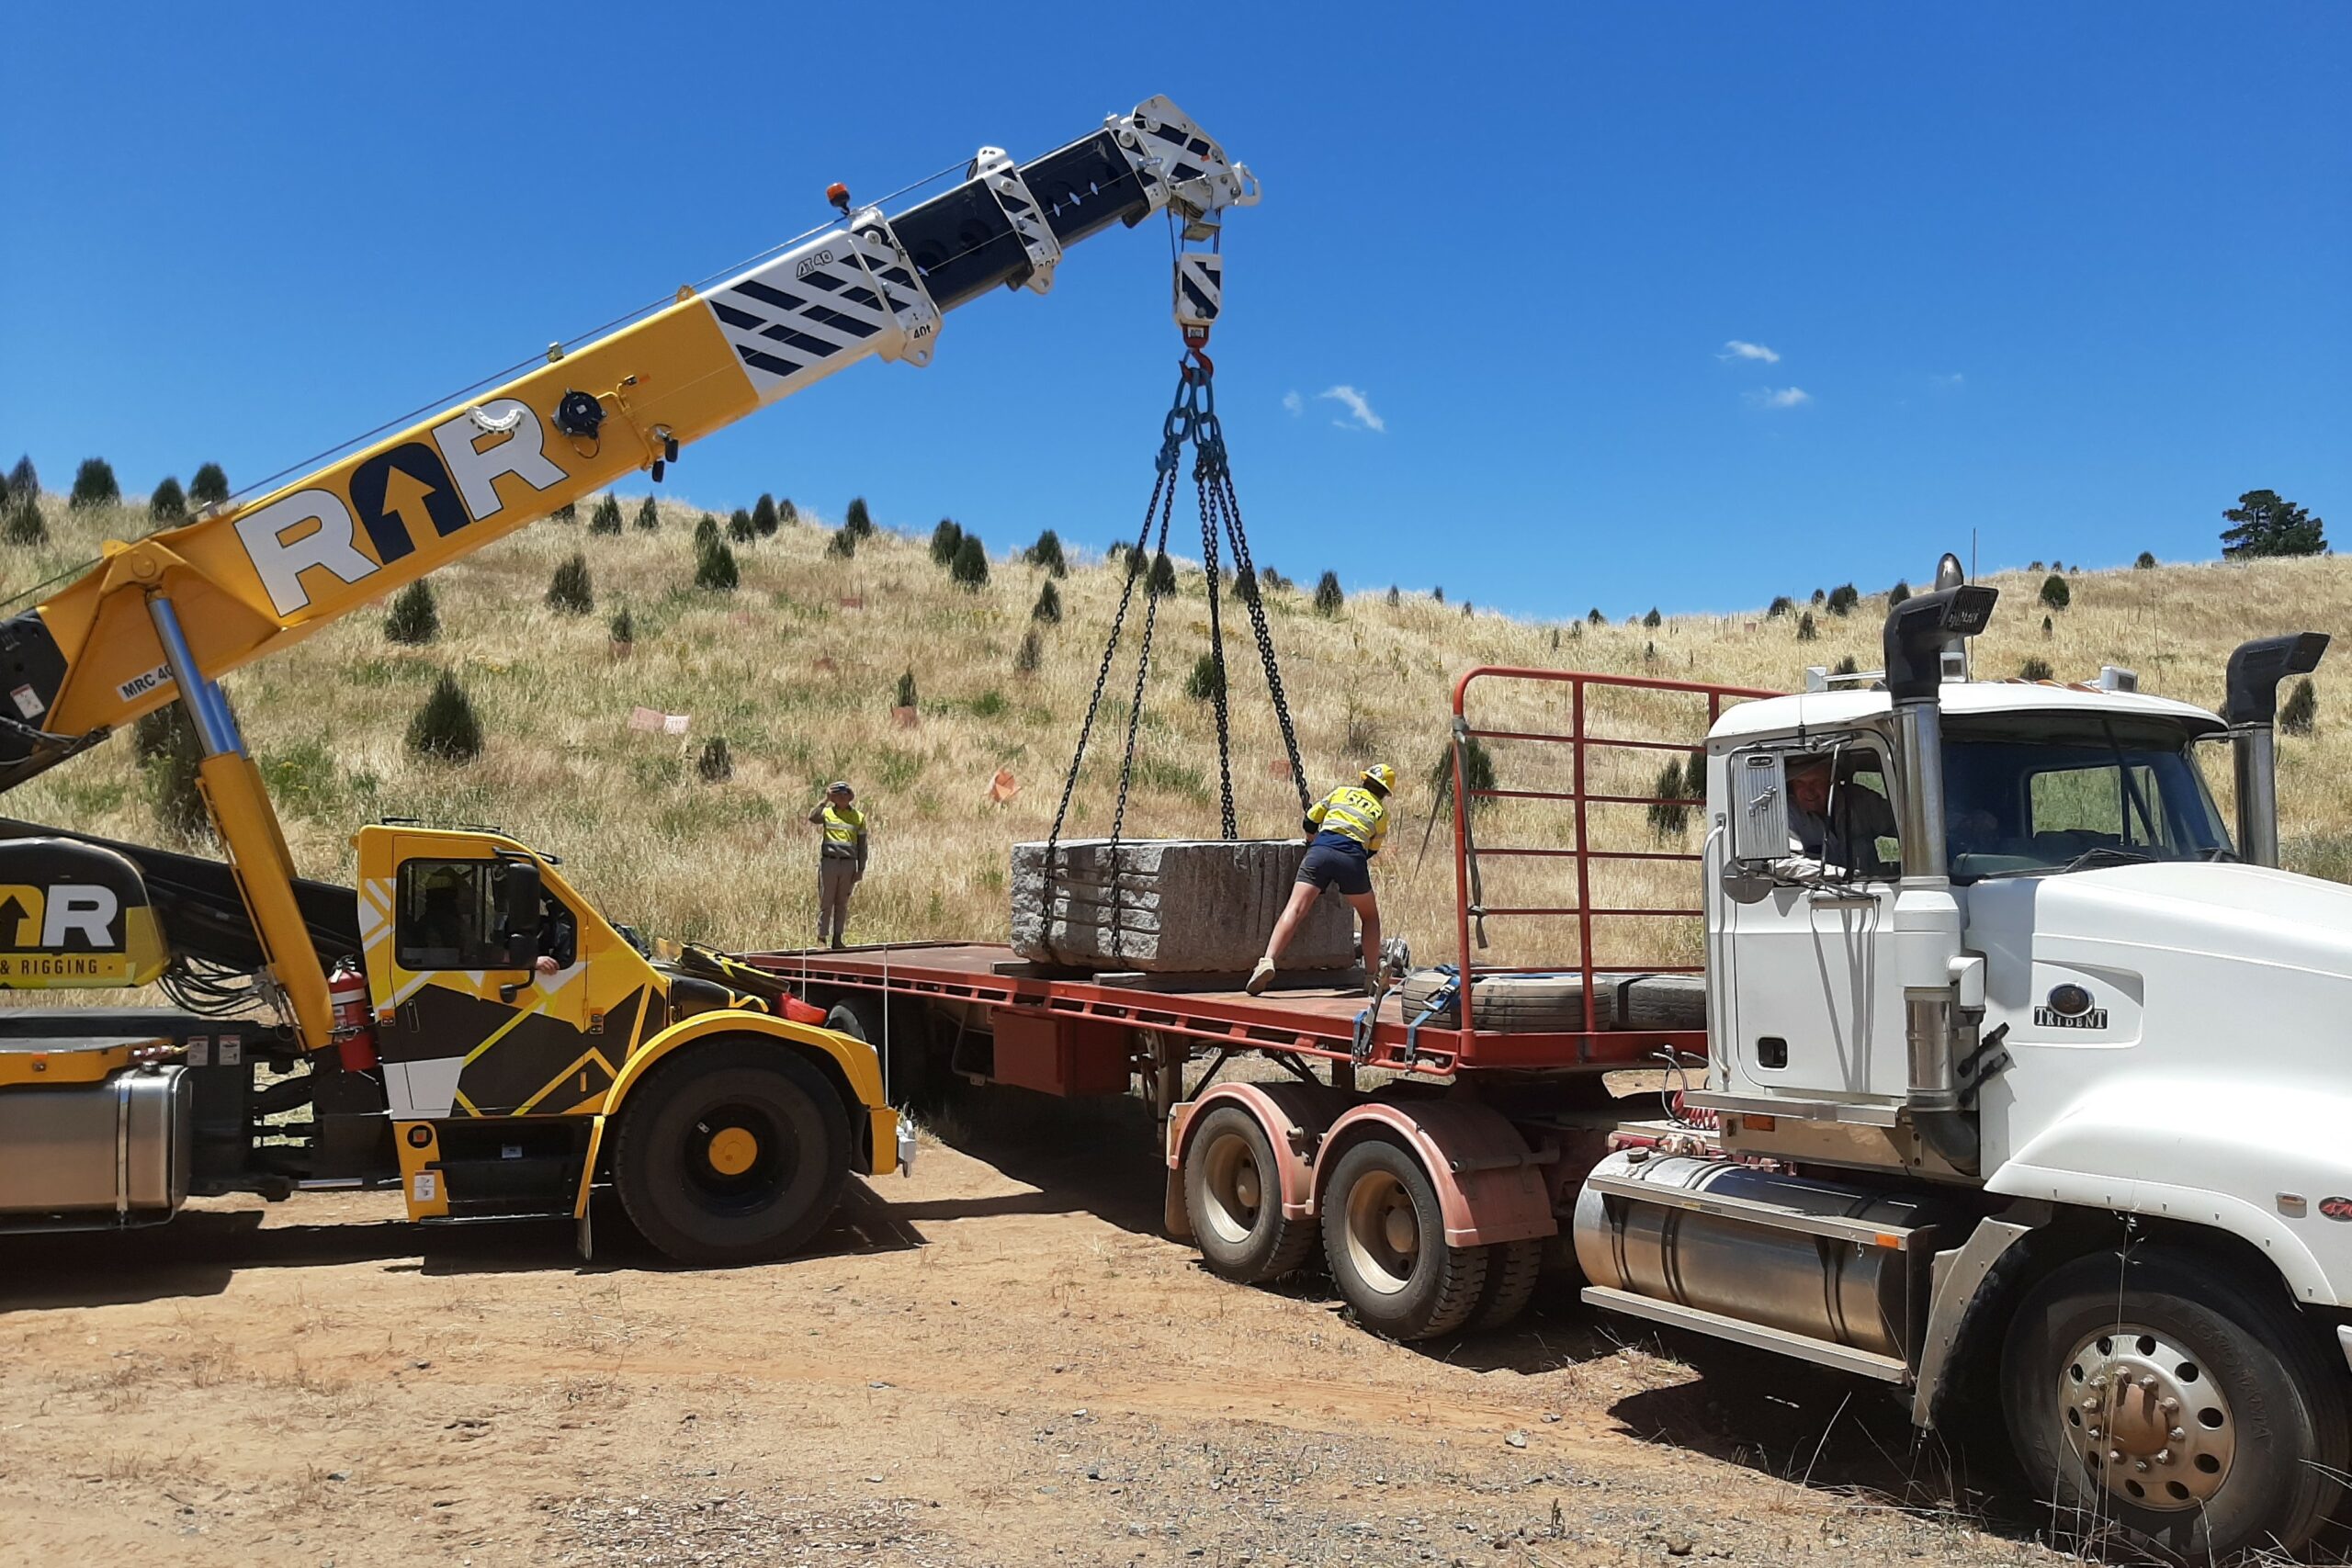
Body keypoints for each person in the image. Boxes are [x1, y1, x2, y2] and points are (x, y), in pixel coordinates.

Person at [1248, 762, 1396, 998]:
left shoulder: (1341, 792)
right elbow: (1371, 851)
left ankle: (1267, 962)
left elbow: (1309, 821)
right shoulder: (1381, 813)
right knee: (1369, 916)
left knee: (1295, 908)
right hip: (1352, 858)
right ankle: (1370, 977)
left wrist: (1312, 842)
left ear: (1364, 780)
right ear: (1385, 792)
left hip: (1320, 851)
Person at [1781, 753, 1899, 876]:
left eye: (1816, 782)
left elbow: (1906, 827)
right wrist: (1843, 874)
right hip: (1816, 892)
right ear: (1791, 786)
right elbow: (1784, 865)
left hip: (1873, 889)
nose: (1809, 791)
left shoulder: (1859, 801)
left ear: (1834, 781)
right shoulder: (1785, 814)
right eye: (1800, 783)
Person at [808, 781, 868, 949]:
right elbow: (812, 817)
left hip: (848, 865)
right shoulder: (827, 813)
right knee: (826, 901)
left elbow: (863, 846)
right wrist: (824, 800)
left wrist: (861, 868)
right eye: (838, 795)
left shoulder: (859, 817)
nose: (842, 798)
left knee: (842, 903)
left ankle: (838, 938)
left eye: (845, 795)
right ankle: (822, 937)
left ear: (850, 797)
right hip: (830, 862)